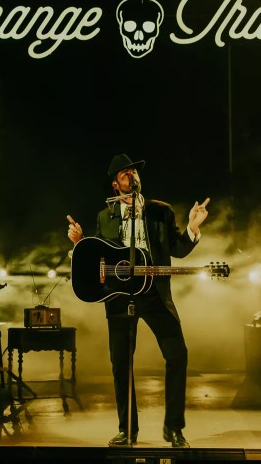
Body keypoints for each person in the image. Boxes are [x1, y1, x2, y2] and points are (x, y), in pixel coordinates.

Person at [66, 154, 210, 448]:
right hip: (120, 297)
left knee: (177, 354)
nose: (130, 174)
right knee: (121, 363)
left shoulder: (160, 211)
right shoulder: (105, 216)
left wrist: (193, 228)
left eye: (133, 170)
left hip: (154, 292)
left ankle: (174, 428)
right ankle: (127, 430)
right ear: (115, 184)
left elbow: (178, 250)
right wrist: (80, 243)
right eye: (124, 172)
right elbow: (100, 256)